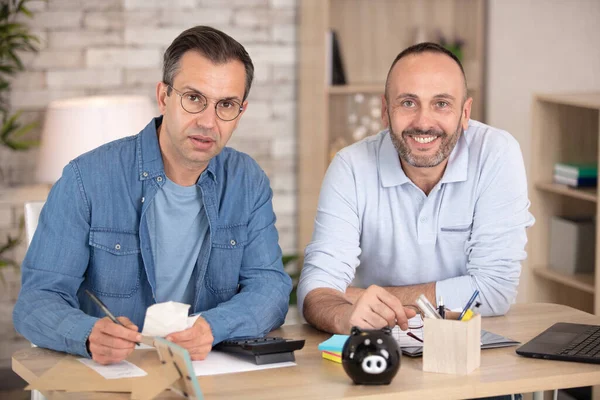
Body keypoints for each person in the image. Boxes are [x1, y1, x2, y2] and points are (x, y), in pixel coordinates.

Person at [13, 26, 292, 365]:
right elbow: (37, 300)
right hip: (110, 372)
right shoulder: (86, 179)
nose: (208, 121)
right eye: (194, 98)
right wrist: (87, 334)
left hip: (209, 370)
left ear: (241, 111)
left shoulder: (247, 181)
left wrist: (212, 327)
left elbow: (271, 289)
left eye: (226, 105)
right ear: (163, 97)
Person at [297, 42, 534, 335]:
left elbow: (495, 291)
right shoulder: (351, 166)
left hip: (469, 347)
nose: (423, 122)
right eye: (408, 102)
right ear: (385, 111)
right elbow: (316, 292)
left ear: (465, 112)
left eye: (442, 104)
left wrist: (363, 296)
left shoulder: (496, 153)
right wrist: (341, 310)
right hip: (379, 345)